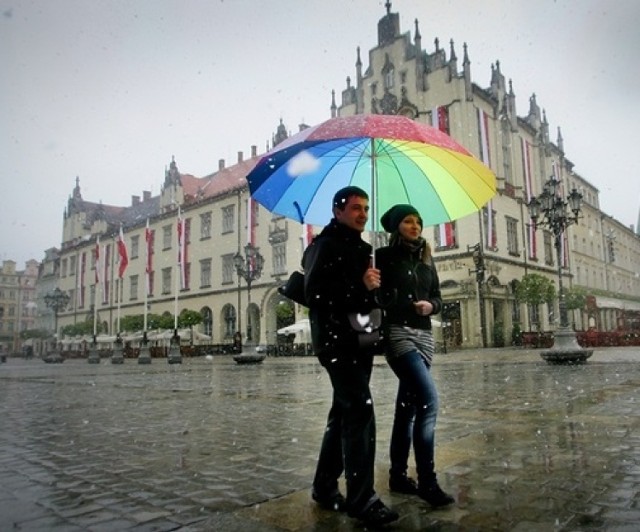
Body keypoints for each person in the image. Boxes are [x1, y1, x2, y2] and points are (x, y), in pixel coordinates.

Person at [304, 186, 399, 527]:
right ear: (338, 210)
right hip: (335, 342)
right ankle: (362, 499)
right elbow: (315, 294)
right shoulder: (323, 246)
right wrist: (359, 285)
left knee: (343, 414)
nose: (363, 213)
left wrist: (375, 289)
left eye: (366, 207)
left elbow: (371, 299)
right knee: (359, 410)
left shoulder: (365, 249)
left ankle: (325, 486)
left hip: (361, 339)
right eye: (356, 207)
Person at [376, 204, 455, 507]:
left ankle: (397, 475)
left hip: (424, 335)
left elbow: (438, 296)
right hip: (398, 333)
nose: (415, 226)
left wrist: (431, 306)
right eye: (408, 221)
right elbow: (373, 297)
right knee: (428, 401)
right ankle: (428, 481)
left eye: (418, 221)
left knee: (407, 409)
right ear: (396, 226)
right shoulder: (381, 257)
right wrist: (379, 291)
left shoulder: (426, 258)